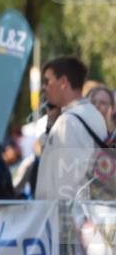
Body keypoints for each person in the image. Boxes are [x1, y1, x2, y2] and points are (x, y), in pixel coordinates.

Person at [36, 55, 108, 200]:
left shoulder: (68, 122)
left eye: (47, 81)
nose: (43, 88)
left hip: (64, 218)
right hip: (82, 214)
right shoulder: (92, 114)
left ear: (63, 82)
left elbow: (68, 186)